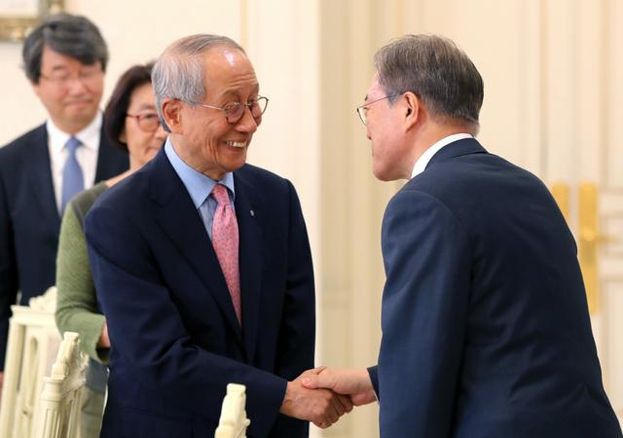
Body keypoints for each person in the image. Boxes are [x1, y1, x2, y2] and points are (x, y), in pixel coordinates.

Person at [302, 34, 623, 437]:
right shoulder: (527, 186)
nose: (367, 129)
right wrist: (376, 380)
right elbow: (513, 338)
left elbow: (420, 369)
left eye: (369, 107)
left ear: (408, 108)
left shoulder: (422, 202)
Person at [84, 34, 351, 437]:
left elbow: (294, 343)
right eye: (231, 107)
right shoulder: (119, 216)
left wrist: (288, 407)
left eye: (253, 102)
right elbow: (158, 357)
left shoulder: (276, 198)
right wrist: (280, 397)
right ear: (174, 114)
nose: (249, 122)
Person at [0, 13, 128, 388]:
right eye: (61, 74)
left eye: (88, 71)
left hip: (117, 346)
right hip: (35, 353)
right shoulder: (9, 164)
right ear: (36, 83)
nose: (78, 87)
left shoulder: (133, 154)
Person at [55, 62, 165, 437]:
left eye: (171, 117)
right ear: (121, 127)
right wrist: (133, 335)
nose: (162, 132)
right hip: (112, 391)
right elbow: (70, 312)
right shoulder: (88, 208)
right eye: (148, 117)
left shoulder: (208, 204)